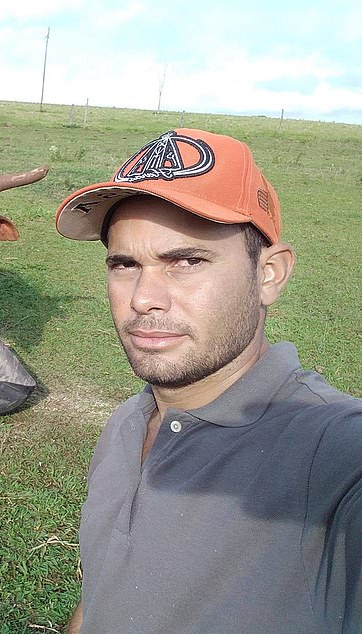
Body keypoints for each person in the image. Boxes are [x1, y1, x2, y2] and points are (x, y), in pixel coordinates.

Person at [55, 129, 362, 634]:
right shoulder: (126, 424)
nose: (143, 299)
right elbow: (104, 596)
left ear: (269, 275)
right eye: (125, 264)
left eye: (186, 262)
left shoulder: (335, 457)